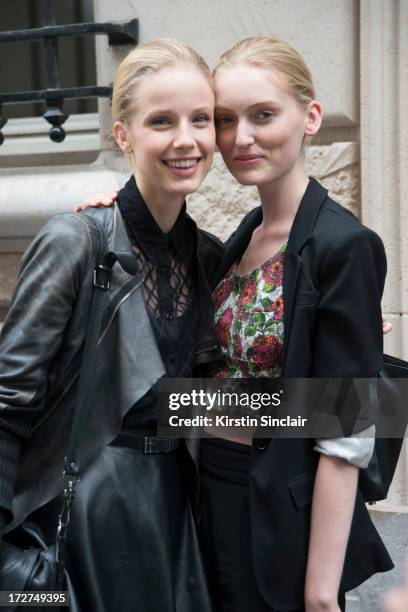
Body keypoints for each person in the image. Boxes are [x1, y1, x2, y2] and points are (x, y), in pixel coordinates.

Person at [76, 37, 395, 612]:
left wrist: (322, 592)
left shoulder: (343, 245)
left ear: (311, 117)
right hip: (206, 494)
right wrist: (117, 212)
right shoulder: (240, 238)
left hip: (276, 511)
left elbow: (348, 431)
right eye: (225, 120)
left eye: (264, 115)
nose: (241, 137)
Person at [0, 38, 223, 612]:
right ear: (123, 135)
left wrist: (355, 392)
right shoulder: (77, 240)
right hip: (85, 516)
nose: (185, 139)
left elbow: (206, 408)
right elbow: (8, 401)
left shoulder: (209, 257)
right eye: (161, 121)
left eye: (200, 119)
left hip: (177, 515)